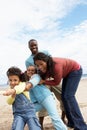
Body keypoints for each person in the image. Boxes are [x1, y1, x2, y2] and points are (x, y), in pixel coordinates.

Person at [33, 52, 87, 130]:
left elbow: (56, 82)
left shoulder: (56, 66)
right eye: (37, 65)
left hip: (75, 70)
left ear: (46, 61)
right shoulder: (44, 67)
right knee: (64, 97)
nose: (39, 67)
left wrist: (44, 81)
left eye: (41, 64)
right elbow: (42, 76)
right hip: (67, 73)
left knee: (69, 97)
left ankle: (82, 127)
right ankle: (71, 122)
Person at [4, 65, 67, 130]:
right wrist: (12, 95)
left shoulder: (30, 81)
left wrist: (13, 90)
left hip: (38, 105)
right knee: (21, 120)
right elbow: (10, 101)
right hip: (27, 108)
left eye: (32, 70)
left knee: (49, 120)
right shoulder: (18, 85)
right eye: (29, 70)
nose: (13, 82)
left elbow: (22, 87)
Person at [25, 39, 66, 127]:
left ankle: (63, 118)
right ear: (29, 47)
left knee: (63, 96)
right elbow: (31, 73)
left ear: (37, 44)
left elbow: (52, 63)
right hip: (41, 82)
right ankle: (41, 124)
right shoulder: (28, 61)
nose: (34, 47)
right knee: (43, 100)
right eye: (31, 46)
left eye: (35, 45)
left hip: (52, 79)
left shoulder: (45, 52)